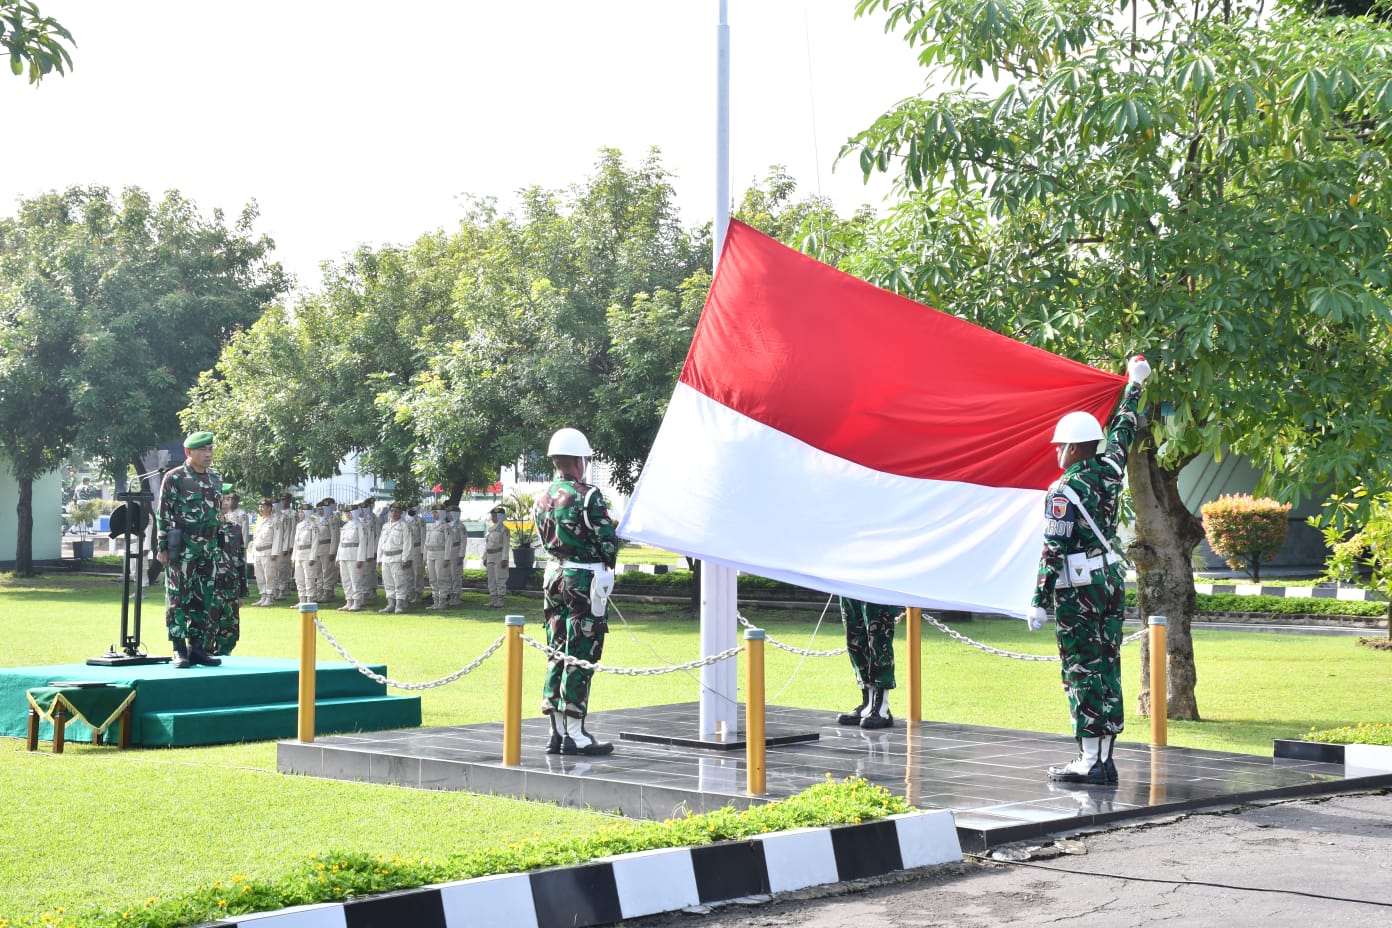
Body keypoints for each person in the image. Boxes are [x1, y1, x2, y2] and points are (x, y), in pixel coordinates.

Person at [1027, 354, 1150, 785]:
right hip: (1109, 580)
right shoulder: (1111, 468)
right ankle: (1105, 756)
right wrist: (1135, 384)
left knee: (1081, 668)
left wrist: (1040, 601)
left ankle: (1089, 759)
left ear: (1076, 447)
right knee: (1108, 664)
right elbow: (1124, 428)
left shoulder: (1064, 489)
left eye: (1061, 446)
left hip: (1077, 588)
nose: (1057, 452)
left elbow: (1052, 548)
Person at [534, 427, 619, 756]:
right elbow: (607, 544)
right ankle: (576, 734)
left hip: (553, 577)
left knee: (556, 651)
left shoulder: (542, 498)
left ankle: (555, 732)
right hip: (582, 582)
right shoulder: (588, 495)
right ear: (580, 461)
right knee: (580, 654)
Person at [155, 431, 224, 669]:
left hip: (209, 548)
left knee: (203, 598)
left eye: (210, 449)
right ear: (188, 452)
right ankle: (178, 648)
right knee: (178, 598)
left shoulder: (216, 477)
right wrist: (162, 546)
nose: (208, 454)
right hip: (182, 547)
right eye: (203, 450)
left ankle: (197, 648)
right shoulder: (175, 477)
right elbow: (162, 514)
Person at [835, 597, 897, 729]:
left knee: (879, 641)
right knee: (855, 640)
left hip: (877, 584)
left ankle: (882, 708)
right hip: (851, 580)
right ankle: (868, 705)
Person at [209, 508, 249, 656]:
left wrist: (242, 592)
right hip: (209, 589)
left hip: (231, 590)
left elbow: (240, 561)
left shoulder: (235, 529)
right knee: (205, 631)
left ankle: (225, 658)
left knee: (229, 633)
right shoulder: (203, 529)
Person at [376, 502, 414, 613]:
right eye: (392, 511)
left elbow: (408, 543)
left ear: (401, 513)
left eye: (397, 511)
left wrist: (405, 558)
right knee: (388, 582)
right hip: (386, 557)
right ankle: (390, 604)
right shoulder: (386, 526)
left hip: (397, 556)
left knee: (400, 581)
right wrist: (379, 558)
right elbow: (381, 543)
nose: (394, 513)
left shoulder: (404, 526)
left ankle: (399, 605)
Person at [249, 499, 279, 607]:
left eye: (263, 507)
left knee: (269, 575)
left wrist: (275, 552)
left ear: (270, 508)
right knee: (259, 575)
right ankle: (263, 595)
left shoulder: (275, 521)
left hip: (268, 551)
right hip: (258, 551)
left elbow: (277, 538)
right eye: (260, 507)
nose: (261, 509)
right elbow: (255, 537)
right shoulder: (259, 520)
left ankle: (270, 596)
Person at [336, 501, 364, 611]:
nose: (348, 515)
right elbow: (341, 543)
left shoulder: (359, 526)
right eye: (347, 513)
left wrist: (360, 558)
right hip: (344, 554)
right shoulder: (346, 526)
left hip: (354, 555)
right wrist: (338, 557)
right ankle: (348, 601)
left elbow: (362, 543)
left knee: (355, 579)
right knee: (346, 579)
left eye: (350, 512)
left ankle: (357, 602)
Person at [291, 502, 320, 604]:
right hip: (299, 554)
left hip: (308, 554)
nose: (300, 514)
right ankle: (302, 600)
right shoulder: (299, 526)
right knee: (299, 579)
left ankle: (310, 600)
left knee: (309, 578)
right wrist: (293, 557)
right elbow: (295, 543)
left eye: (302, 512)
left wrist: (313, 557)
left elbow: (315, 542)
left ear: (307, 513)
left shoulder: (313, 525)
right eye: (299, 512)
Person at [425, 504, 452, 609]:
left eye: (436, 512)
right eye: (433, 512)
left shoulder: (446, 527)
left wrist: (447, 557)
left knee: (441, 578)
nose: (433, 514)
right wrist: (425, 556)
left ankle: (442, 601)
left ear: (441, 514)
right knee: (432, 578)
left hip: (440, 553)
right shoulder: (431, 526)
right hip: (430, 553)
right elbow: (426, 543)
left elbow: (448, 543)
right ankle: (435, 601)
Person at [483, 504, 511, 607]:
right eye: (492, 515)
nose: (493, 518)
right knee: (491, 579)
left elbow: (506, 545)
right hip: (490, 555)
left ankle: (500, 599)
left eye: (495, 515)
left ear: (500, 516)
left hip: (499, 555)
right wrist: (485, 557)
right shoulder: (490, 529)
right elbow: (487, 544)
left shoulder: (504, 530)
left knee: (500, 578)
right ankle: (493, 598)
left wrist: (505, 559)